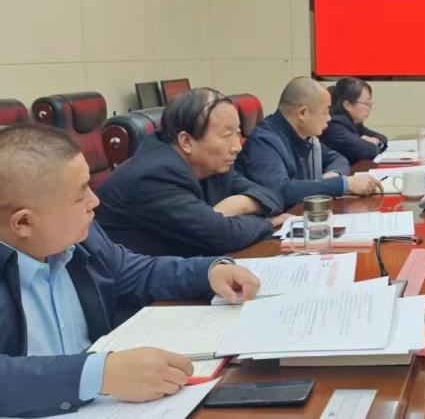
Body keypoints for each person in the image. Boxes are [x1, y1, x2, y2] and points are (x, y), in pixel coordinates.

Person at [0, 125, 262, 417]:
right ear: (23, 223)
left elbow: (133, 271)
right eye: (80, 195)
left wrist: (208, 272)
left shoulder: (78, 236)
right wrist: (99, 373)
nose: (95, 202)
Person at [96, 88, 285, 257]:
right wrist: (267, 223)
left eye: (238, 133)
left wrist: (236, 206)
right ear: (186, 142)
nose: (237, 146)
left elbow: (272, 196)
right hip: (132, 281)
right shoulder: (154, 175)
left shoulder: (212, 164)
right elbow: (223, 236)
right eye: (227, 135)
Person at [236, 77, 382, 210]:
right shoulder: (264, 142)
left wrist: (334, 175)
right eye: (325, 112)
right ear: (303, 113)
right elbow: (280, 191)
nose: (329, 118)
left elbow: (337, 158)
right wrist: (344, 184)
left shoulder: (305, 135)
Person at [319, 77, 389, 164]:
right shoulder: (333, 126)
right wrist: (374, 144)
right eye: (367, 103)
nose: (371, 109)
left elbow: (382, 137)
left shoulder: (354, 123)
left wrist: (376, 141)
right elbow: (369, 152)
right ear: (348, 105)